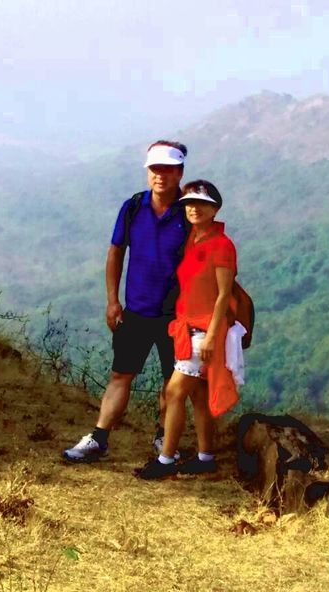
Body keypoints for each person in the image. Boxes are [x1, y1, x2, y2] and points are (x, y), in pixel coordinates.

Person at [62, 140, 197, 462]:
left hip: (175, 314)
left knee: (171, 380)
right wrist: (113, 300)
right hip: (136, 308)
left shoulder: (190, 212)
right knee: (121, 374)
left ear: (180, 173)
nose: (160, 176)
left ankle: (165, 439)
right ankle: (98, 437)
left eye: (168, 169)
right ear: (147, 172)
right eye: (155, 169)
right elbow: (116, 252)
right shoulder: (134, 207)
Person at [135, 180, 241, 480]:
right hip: (188, 327)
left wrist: (211, 336)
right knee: (198, 395)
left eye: (201, 203)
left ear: (215, 208)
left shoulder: (222, 245)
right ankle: (206, 456)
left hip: (204, 332)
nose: (193, 208)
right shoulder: (193, 238)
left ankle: (166, 459)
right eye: (188, 203)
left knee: (173, 393)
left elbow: (223, 294)